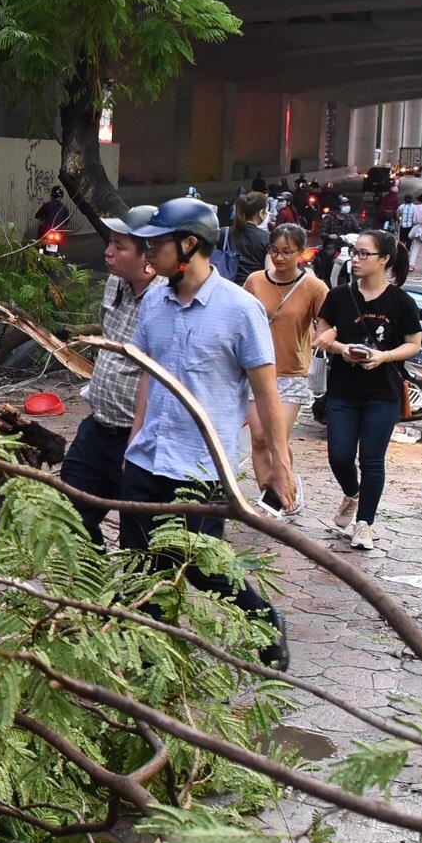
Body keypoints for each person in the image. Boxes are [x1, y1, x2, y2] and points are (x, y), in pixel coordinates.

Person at [121, 197, 291, 668]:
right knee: (140, 569)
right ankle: (150, 666)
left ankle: (266, 625)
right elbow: (147, 377)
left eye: (157, 243)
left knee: (203, 569)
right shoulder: (153, 300)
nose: (147, 252)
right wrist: (134, 442)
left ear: (189, 245)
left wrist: (279, 465)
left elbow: (266, 393)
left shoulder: (240, 310)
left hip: (200, 469)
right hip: (146, 460)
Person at [313, 231, 422, 552]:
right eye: (354, 253)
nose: (356, 259)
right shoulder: (338, 296)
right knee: (339, 455)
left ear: (384, 260)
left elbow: (413, 344)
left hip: (383, 392)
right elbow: (321, 336)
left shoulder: (401, 302)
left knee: (372, 460)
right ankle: (352, 492)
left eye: (364, 254)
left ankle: (365, 524)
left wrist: (383, 356)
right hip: (343, 391)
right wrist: (342, 348)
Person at [59, 205, 155, 545]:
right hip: (98, 428)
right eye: (109, 242)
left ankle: (132, 595)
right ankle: (94, 585)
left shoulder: (165, 302)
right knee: (68, 516)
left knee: (139, 541)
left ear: (149, 256)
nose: (108, 251)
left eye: (120, 246)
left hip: (139, 439)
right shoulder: (115, 284)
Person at [243, 223, 327, 515]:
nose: (279, 258)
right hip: (255, 369)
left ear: (300, 253)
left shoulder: (314, 287)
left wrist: (326, 337)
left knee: (275, 437)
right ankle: (270, 495)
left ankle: (285, 487)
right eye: (274, 251)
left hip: (291, 372)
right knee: (257, 437)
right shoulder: (255, 281)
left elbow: (328, 324)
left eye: (287, 252)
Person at [222, 192, 269, 283]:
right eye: (265, 211)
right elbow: (269, 272)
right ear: (260, 213)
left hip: (227, 285)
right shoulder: (266, 238)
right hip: (253, 289)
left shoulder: (225, 233)